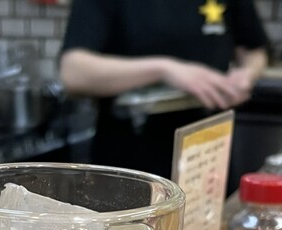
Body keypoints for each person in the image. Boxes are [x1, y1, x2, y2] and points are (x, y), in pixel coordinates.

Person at [59, 0, 269, 178]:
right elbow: (73, 72)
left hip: (208, 153)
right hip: (131, 157)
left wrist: (247, 74)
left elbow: (254, 50)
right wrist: (164, 70)